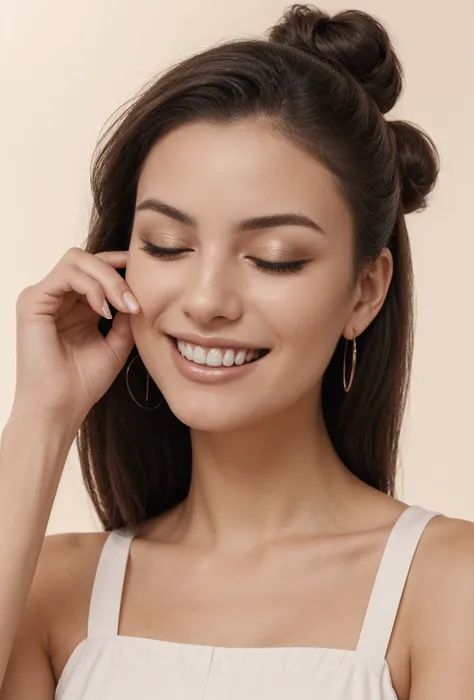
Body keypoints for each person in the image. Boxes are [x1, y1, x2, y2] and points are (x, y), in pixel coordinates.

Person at [1, 4, 473, 699]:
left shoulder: (447, 586)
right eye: (167, 246)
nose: (206, 300)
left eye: (274, 258)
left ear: (364, 292)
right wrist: (43, 415)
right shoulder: (45, 589)